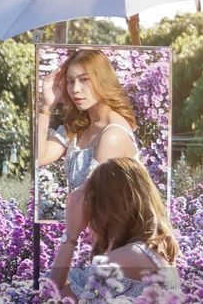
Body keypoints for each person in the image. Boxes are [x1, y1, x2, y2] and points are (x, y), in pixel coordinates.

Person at [35, 49, 142, 286]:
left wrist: (69, 246)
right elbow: (39, 157)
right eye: (71, 82)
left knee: (55, 296)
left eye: (84, 80)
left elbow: (85, 204)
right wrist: (46, 107)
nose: (75, 90)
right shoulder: (80, 126)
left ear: (102, 80)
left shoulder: (112, 135)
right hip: (95, 244)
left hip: (120, 251)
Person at [54, 155, 179, 304]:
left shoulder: (124, 258)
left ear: (104, 207)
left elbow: (51, 302)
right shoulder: (150, 252)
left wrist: (71, 234)